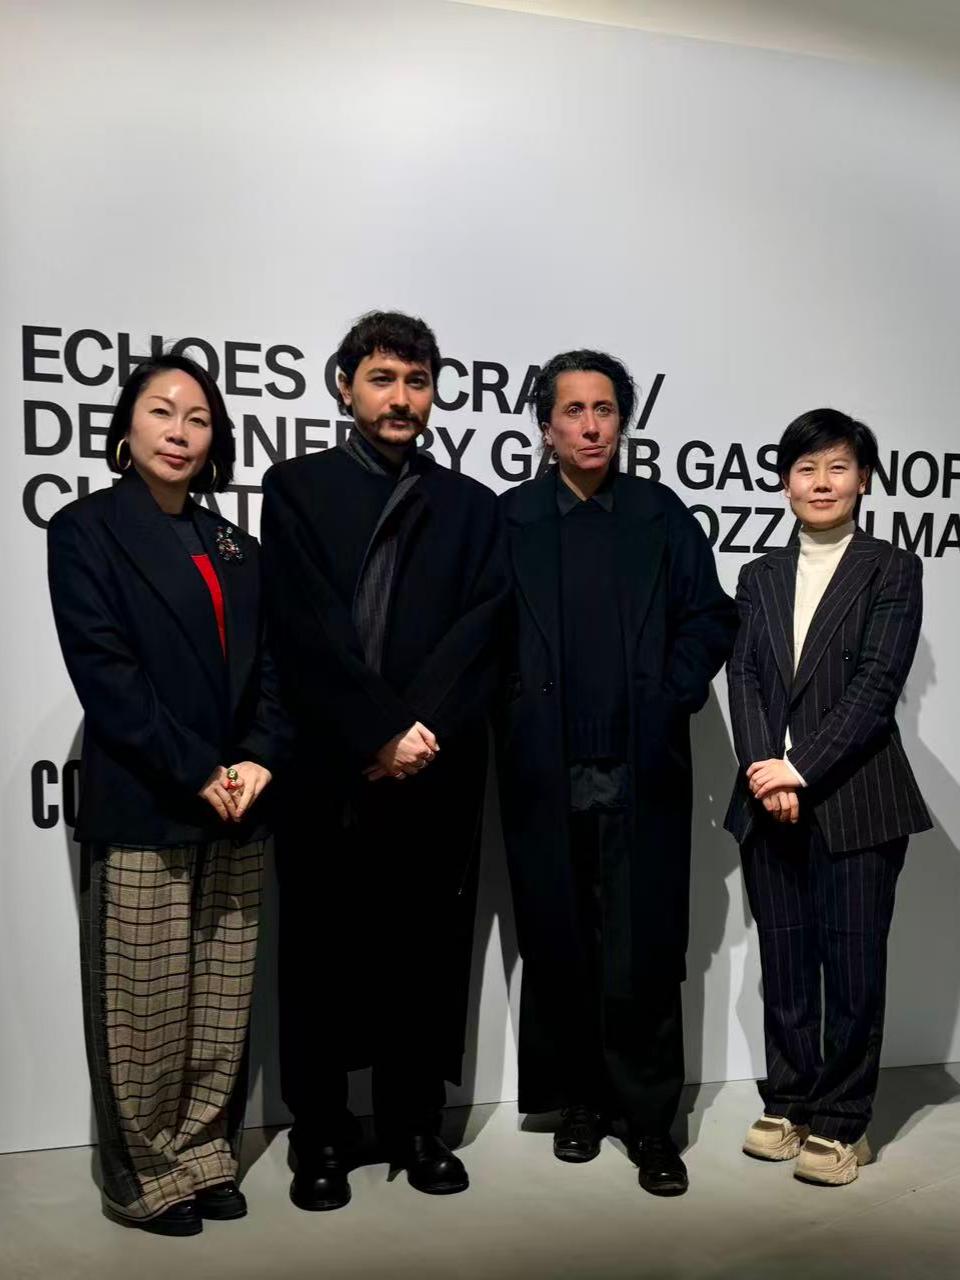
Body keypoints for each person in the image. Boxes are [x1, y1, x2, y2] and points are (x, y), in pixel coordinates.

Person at [260, 310, 508, 1209]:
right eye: (382, 379)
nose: (401, 398)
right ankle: (320, 1132)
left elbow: (483, 628)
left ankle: (415, 1125)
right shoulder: (295, 488)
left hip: (433, 769)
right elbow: (303, 626)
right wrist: (374, 731)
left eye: (416, 381)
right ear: (344, 386)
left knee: (424, 956)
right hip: (329, 767)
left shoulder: (472, 506)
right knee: (320, 957)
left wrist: (414, 733)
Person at [47, 353, 287, 1236]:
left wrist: (258, 757)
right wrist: (197, 769)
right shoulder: (85, 531)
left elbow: (273, 669)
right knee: (142, 1005)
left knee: (221, 1001)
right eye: (161, 411)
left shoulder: (236, 546)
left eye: (198, 418)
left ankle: (202, 1154)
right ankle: (143, 1175)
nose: (180, 431)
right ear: (125, 427)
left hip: (239, 804)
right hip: (151, 797)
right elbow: (106, 674)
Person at [497, 350, 737, 1196]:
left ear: (623, 421)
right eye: (574, 410)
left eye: (605, 409)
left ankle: (649, 1122)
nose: (592, 425)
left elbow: (711, 617)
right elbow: (479, 632)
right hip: (542, 767)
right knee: (561, 941)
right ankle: (579, 1105)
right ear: (546, 426)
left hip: (641, 766)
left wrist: (669, 694)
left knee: (644, 948)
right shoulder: (512, 518)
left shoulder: (659, 514)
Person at [724, 408, 931, 1186]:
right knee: (783, 963)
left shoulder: (891, 568)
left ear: (863, 480)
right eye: (806, 468)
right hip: (765, 798)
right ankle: (790, 1102)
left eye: (837, 467)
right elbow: (744, 675)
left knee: (851, 968)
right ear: (786, 482)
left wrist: (798, 769)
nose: (821, 482)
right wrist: (762, 769)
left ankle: (844, 1123)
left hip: (857, 796)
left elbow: (877, 685)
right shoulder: (758, 576)